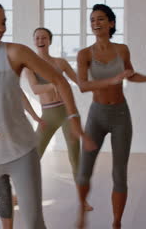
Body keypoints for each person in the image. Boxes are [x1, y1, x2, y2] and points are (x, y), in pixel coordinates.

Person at [0, 0, 96, 229]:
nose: (1, 28)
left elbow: (59, 79)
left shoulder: (14, 52)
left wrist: (74, 118)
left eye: (4, 23)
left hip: (21, 153)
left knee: (33, 222)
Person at [75, 4, 146, 228]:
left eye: (100, 19)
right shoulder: (84, 54)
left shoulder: (122, 50)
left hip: (120, 115)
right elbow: (82, 85)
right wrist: (111, 80)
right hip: (96, 115)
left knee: (119, 173)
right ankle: (81, 212)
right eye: (92, 20)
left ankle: (117, 222)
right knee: (84, 169)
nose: (95, 23)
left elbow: (130, 74)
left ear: (111, 23)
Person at [26, 27, 94, 211]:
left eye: (44, 37)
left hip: (65, 113)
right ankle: (21, 195)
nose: (41, 40)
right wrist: (54, 84)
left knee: (75, 157)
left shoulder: (60, 63)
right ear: (34, 41)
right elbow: (35, 89)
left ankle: (83, 200)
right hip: (47, 116)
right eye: (38, 37)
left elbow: (80, 82)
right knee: (33, 156)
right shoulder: (30, 67)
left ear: (50, 40)